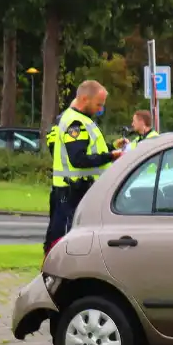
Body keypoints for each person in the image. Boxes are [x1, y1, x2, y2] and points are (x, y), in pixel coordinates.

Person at [43, 80, 124, 254]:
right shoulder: (76, 124)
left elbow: (91, 149)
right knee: (62, 240)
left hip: (76, 189)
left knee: (72, 239)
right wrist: (111, 156)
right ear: (85, 99)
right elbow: (78, 159)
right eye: (98, 104)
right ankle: (54, 275)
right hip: (71, 190)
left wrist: (111, 148)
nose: (100, 109)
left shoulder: (82, 120)